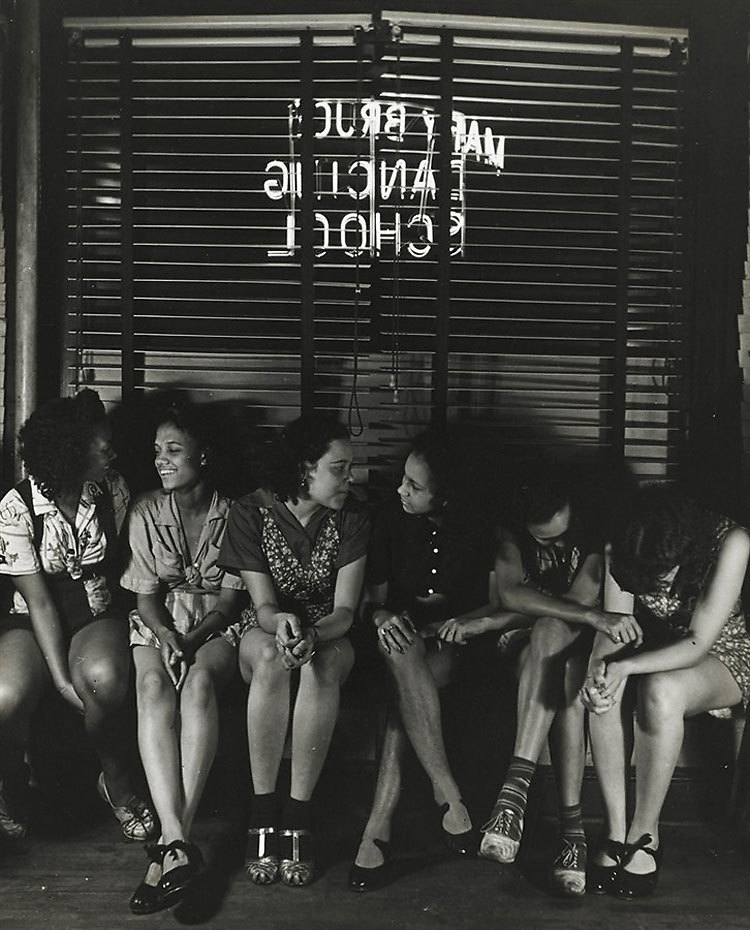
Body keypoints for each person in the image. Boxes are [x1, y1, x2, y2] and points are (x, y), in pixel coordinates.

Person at [218, 414, 370, 887]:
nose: (350, 478)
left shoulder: (353, 516)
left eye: (350, 468)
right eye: (339, 468)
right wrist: (283, 624)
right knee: (270, 658)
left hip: (329, 632)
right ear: (305, 469)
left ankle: (298, 815)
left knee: (319, 666)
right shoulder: (250, 511)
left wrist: (314, 635)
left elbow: (346, 611)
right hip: (268, 628)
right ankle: (262, 811)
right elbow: (263, 605)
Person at [477, 468, 642, 898]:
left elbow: (577, 598)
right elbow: (512, 593)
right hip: (529, 642)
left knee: (564, 659)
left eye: (560, 537)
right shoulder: (510, 528)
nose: (554, 547)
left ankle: (512, 799)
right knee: (555, 652)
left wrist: (585, 615)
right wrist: (591, 616)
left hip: (581, 643)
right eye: (543, 541)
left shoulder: (595, 524)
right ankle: (573, 833)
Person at [580, 485, 750, 899]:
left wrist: (625, 665)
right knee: (605, 683)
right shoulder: (624, 543)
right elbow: (616, 625)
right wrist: (596, 670)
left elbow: (698, 642)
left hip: (726, 651)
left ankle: (645, 834)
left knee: (659, 689)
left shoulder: (732, 542)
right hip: (661, 644)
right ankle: (615, 829)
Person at [0, 390, 154, 843]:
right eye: (103, 448)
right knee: (6, 695)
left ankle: (117, 784)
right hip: (32, 616)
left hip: (93, 610)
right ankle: (9, 784)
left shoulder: (113, 489)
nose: (112, 454)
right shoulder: (15, 507)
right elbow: (40, 603)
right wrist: (62, 680)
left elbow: (120, 564)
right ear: (72, 452)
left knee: (104, 679)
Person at [348, 431, 496, 893]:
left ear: (444, 497)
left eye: (414, 485)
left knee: (404, 701)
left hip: (454, 639)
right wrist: (383, 616)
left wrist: (457, 623)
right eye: (403, 479)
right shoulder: (388, 519)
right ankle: (448, 792)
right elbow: (370, 602)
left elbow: (495, 602)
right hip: (396, 636)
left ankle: (377, 826)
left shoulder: (478, 526)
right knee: (400, 648)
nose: (401, 490)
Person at [120, 399, 247, 914]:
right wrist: (167, 636)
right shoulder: (145, 510)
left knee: (197, 686)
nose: (161, 461)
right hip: (161, 621)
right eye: (157, 451)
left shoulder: (236, 513)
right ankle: (178, 843)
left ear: (204, 455)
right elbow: (145, 596)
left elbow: (230, 604)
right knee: (153, 686)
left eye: (174, 450)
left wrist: (191, 643)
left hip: (215, 625)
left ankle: (171, 846)